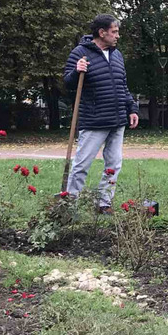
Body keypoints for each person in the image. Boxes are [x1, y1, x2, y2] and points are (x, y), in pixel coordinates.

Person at [63, 14, 140, 213]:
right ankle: (70, 204)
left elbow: (122, 85)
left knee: (114, 164)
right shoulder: (80, 53)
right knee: (81, 165)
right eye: (114, 32)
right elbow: (68, 84)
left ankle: (104, 204)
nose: (117, 36)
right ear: (102, 32)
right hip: (94, 120)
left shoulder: (117, 55)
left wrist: (131, 108)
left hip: (117, 119)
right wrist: (76, 71)